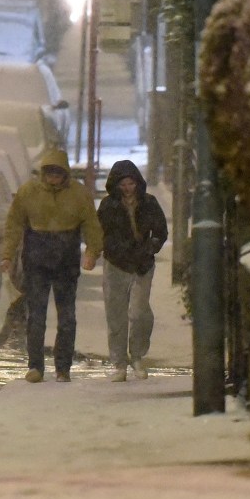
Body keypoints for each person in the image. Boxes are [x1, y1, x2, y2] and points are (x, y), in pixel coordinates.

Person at [0, 148, 103, 383]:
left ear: (65, 174)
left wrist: (93, 251)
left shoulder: (78, 194)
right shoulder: (29, 192)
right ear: (43, 174)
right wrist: (7, 254)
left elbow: (91, 224)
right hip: (37, 260)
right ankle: (35, 365)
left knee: (66, 316)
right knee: (36, 315)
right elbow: (14, 224)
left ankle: (63, 367)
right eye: (50, 174)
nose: (53, 179)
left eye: (58, 174)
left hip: (65, 260)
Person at [97, 159, 168, 382]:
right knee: (116, 314)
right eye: (123, 184)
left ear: (137, 183)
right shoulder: (108, 206)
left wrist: (150, 248)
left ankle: (137, 355)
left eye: (131, 183)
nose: (128, 189)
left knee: (139, 313)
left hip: (142, 264)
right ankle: (119, 362)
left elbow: (160, 230)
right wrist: (115, 250)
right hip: (116, 264)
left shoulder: (149, 203)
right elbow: (101, 233)